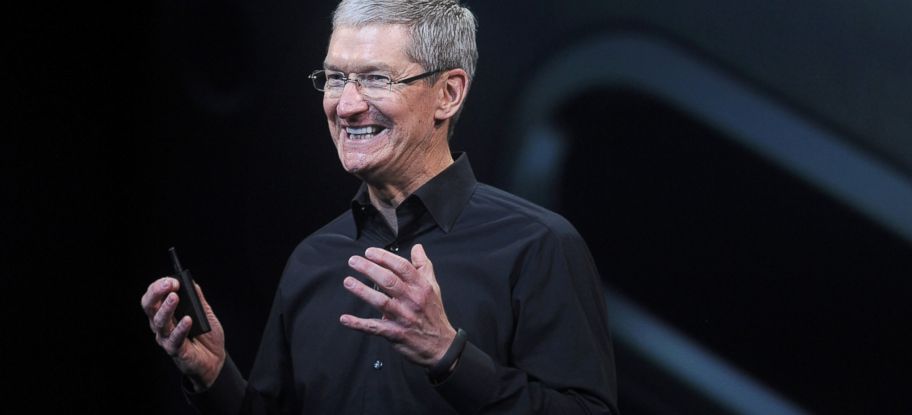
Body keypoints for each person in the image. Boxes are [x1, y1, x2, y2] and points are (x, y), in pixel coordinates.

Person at [140, 1, 618, 413]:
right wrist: (215, 376)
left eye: (374, 79)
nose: (345, 106)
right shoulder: (313, 259)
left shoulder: (537, 246)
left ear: (448, 93)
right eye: (334, 79)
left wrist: (450, 356)